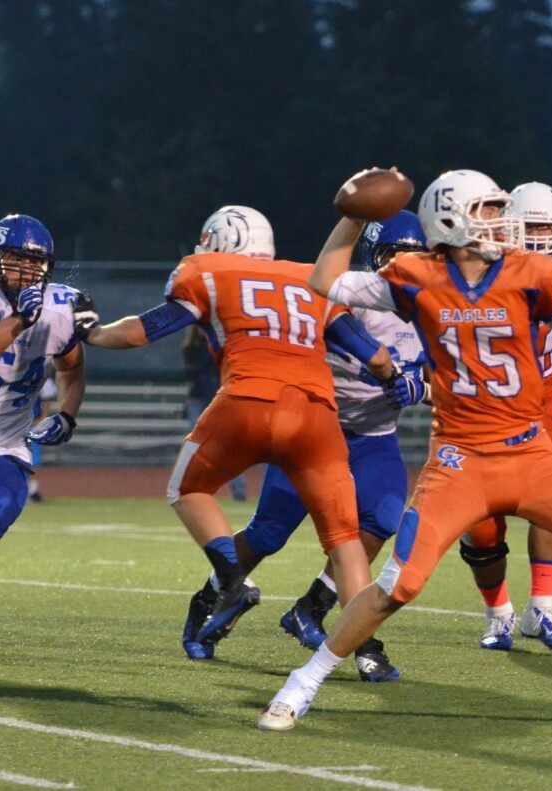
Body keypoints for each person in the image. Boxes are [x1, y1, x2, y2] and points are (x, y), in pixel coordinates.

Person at [258, 168, 552, 731]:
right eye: (488, 210)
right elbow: (326, 280)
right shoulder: (415, 276)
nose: (501, 222)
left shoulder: (533, 273)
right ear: (453, 219)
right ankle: (302, 682)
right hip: (461, 460)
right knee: (397, 586)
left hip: (531, 453)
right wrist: (354, 214)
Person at [73, 205, 392, 643]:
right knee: (344, 537)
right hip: (316, 415)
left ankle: (232, 582)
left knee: (186, 488)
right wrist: (398, 380)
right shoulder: (312, 278)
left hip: (247, 401)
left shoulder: (207, 270)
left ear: (221, 240)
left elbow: (141, 332)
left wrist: (92, 332)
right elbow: (376, 356)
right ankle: (364, 645)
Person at [181, 211, 429, 684]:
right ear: (373, 258)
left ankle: (319, 614)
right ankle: (212, 595)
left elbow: (456, 378)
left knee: (380, 520)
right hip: (318, 431)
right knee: (270, 532)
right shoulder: (347, 294)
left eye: (415, 257)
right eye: (395, 256)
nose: (404, 267)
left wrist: (424, 389)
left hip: (374, 438)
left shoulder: (438, 307)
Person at [0, 214, 86, 567]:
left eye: (36, 262)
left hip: (2, 448)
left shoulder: (57, 311)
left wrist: (67, 414)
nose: (27, 271)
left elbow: (71, 369)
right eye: (17, 259)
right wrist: (19, 321)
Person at [182, 325, 246, 501]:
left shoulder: (221, 343)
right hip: (201, 396)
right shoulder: (193, 345)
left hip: (218, 397)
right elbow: (192, 372)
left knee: (227, 447)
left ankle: (238, 490)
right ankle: (192, 489)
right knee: (195, 446)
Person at [26, 375, 60, 503]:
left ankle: (33, 490)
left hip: (32, 423)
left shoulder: (42, 374)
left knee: (33, 459)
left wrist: (42, 419)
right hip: (12, 423)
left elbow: (47, 401)